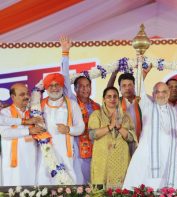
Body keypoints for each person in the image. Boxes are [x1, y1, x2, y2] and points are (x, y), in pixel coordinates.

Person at [123, 75, 177, 190]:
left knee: (164, 189)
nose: (161, 95)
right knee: (142, 186)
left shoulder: (174, 112)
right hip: (147, 157)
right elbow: (140, 89)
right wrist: (142, 70)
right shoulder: (147, 106)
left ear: (168, 94)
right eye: (157, 92)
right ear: (153, 95)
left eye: (164, 92)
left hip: (168, 158)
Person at [60, 36, 100, 184]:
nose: (85, 89)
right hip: (76, 151)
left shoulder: (97, 106)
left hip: (95, 152)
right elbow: (64, 79)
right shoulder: (71, 100)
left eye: (87, 86)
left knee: (94, 186)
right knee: (78, 185)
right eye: (81, 86)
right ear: (75, 89)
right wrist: (65, 54)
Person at [37, 73, 85, 185]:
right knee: (44, 178)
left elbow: (81, 127)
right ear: (46, 88)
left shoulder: (72, 104)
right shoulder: (40, 105)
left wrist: (68, 129)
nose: (54, 88)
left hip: (64, 149)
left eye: (57, 84)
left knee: (67, 179)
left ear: (62, 86)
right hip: (45, 149)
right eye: (51, 85)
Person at [88, 87, 137, 188]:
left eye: (115, 96)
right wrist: (110, 126)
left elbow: (131, 138)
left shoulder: (125, 116)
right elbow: (92, 135)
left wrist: (119, 127)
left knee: (120, 191)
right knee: (100, 191)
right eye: (109, 96)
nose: (112, 99)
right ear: (104, 99)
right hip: (102, 159)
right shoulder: (96, 115)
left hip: (120, 159)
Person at [0, 83, 44, 186]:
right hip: (14, 162)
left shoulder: (34, 113)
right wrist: (29, 131)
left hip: (32, 159)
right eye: (22, 94)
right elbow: (5, 133)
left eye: (27, 93)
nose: (26, 97)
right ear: (13, 97)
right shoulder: (5, 113)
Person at [107, 72, 143, 142]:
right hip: (122, 144)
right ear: (119, 88)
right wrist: (114, 74)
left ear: (134, 86)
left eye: (130, 85)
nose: (127, 88)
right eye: (124, 85)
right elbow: (107, 93)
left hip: (141, 143)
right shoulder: (116, 103)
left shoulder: (141, 101)